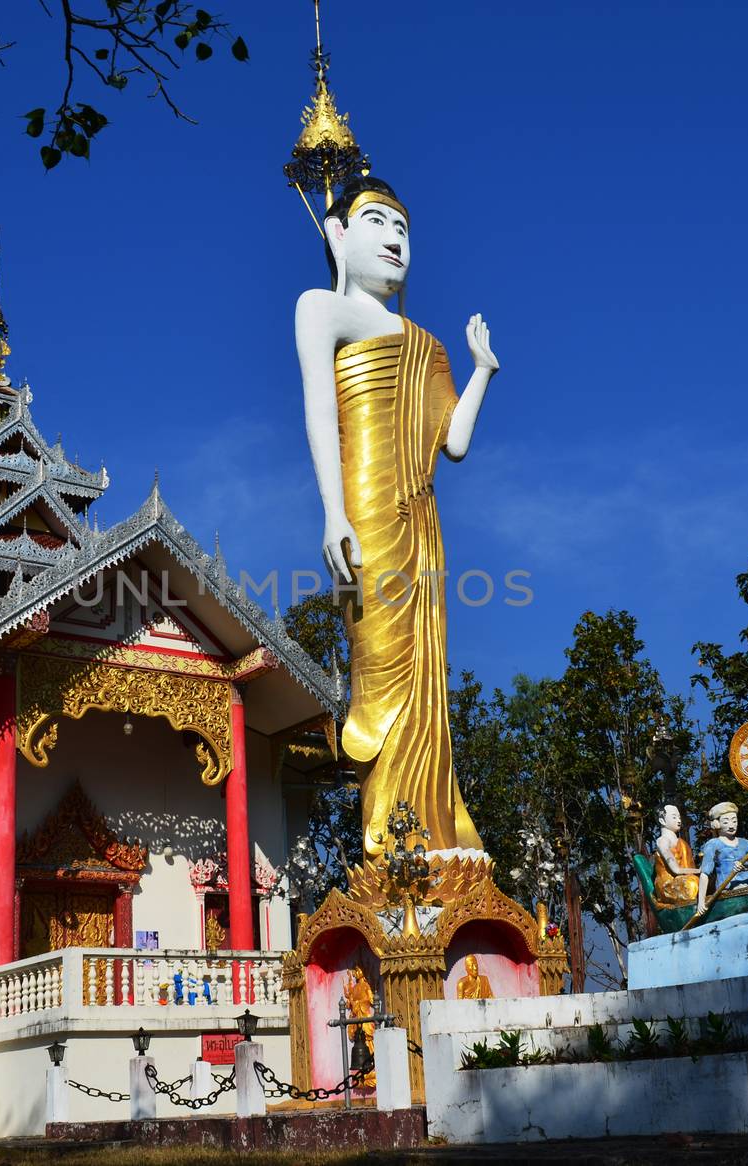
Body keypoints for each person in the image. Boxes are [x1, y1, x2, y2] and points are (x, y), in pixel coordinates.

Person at [294, 176, 496, 859]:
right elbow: (319, 411)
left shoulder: (429, 345)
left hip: (423, 521)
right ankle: (389, 842)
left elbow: (455, 442)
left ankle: (434, 830)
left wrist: (481, 372)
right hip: (364, 516)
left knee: (427, 677)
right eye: (377, 222)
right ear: (338, 234)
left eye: (404, 230)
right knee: (379, 671)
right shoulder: (322, 309)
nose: (394, 240)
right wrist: (332, 513)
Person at [696, 802, 748, 911]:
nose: (731, 825)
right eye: (726, 822)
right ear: (716, 824)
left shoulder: (744, 843)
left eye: (734, 821)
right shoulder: (713, 844)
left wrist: (746, 867)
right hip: (727, 892)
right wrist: (701, 902)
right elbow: (705, 873)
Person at [651, 804, 700, 907]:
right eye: (674, 817)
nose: (678, 820)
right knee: (691, 885)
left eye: (679, 817)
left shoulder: (681, 842)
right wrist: (699, 871)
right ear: (662, 821)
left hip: (686, 878)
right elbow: (676, 870)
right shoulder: (662, 841)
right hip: (668, 883)